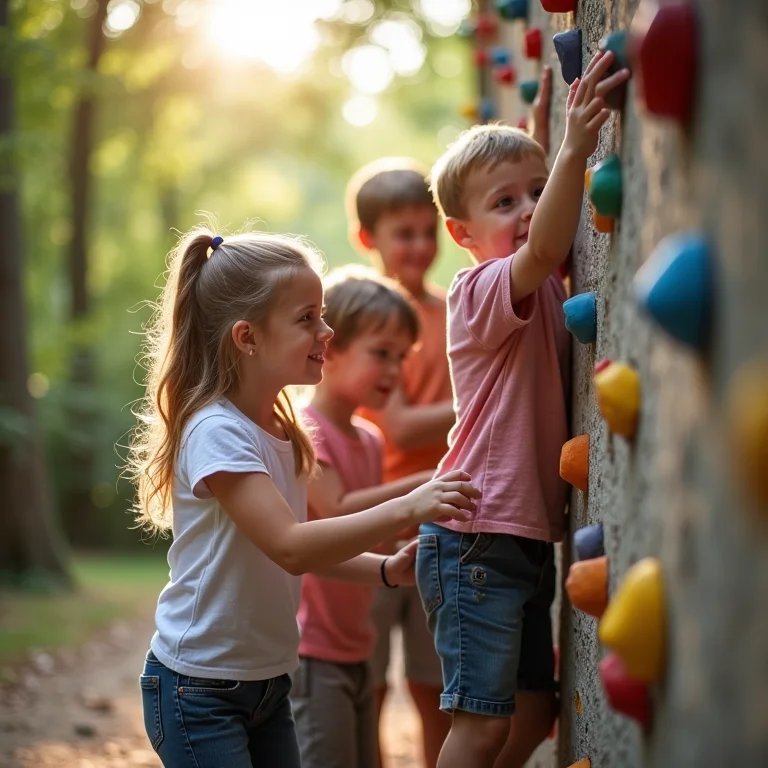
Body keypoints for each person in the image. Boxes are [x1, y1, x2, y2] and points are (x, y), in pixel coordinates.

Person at [126, 229, 480, 768]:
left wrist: (387, 570)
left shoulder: (283, 428)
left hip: (268, 683)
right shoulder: (216, 431)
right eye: (307, 318)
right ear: (247, 338)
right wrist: (413, 502)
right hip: (199, 689)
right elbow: (290, 546)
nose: (327, 330)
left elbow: (311, 550)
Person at [417, 51, 631, 768]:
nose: (529, 208)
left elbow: (545, 229)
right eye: (503, 202)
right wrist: (571, 147)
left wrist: (540, 139)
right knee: (478, 725)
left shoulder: (535, 281)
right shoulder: (479, 292)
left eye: (536, 191)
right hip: (475, 535)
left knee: (534, 712)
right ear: (463, 234)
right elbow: (542, 245)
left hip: (520, 537)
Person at [292, 267, 439, 768]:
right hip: (311, 647)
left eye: (402, 357)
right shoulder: (303, 430)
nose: (395, 372)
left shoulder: (371, 439)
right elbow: (336, 509)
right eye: (381, 354)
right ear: (329, 349)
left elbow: (375, 526)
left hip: (355, 642)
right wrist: (424, 484)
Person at [347, 157, 454, 767]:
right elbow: (401, 423)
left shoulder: (454, 307)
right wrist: (488, 399)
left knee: (431, 681)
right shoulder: (366, 319)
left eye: (426, 230)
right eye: (402, 233)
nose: (418, 246)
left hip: (438, 521)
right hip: (374, 518)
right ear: (370, 239)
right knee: (369, 679)